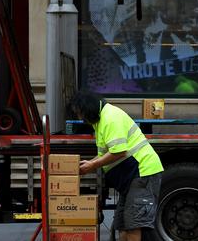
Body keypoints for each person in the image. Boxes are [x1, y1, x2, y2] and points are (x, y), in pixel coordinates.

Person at [68, 90, 164, 241]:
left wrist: (92, 165)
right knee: (123, 225)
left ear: (88, 108)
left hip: (143, 173)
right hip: (132, 178)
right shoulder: (100, 121)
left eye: (80, 113)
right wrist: (90, 163)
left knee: (133, 225)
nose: (81, 118)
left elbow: (119, 152)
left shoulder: (110, 117)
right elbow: (106, 153)